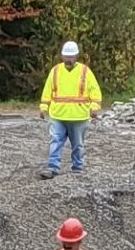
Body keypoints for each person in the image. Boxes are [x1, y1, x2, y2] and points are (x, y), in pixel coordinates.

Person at [38, 40, 102, 177]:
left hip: (78, 116)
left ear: (76, 56)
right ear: (62, 56)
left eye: (71, 56)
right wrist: (43, 107)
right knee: (55, 141)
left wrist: (94, 107)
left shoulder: (85, 71)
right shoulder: (55, 71)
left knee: (78, 144)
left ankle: (77, 168)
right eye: (66, 56)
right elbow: (47, 90)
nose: (68, 59)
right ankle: (52, 168)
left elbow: (95, 91)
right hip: (58, 115)